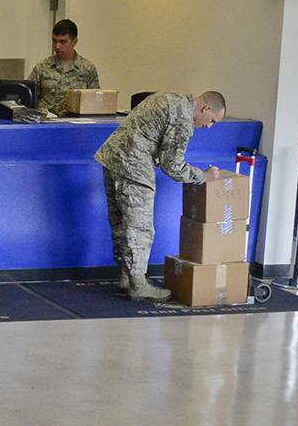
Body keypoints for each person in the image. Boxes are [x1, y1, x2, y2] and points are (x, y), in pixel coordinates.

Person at [96, 90, 228, 302]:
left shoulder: (169, 97)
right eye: (212, 120)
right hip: (134, 168)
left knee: (121, 223)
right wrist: (203, 176)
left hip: (112, 159)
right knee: (140, 227)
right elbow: (172, 165)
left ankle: (126, 278)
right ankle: (138, 285)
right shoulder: (183, 118)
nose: (209, 126)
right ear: (206, 109)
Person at [27, 19, 101, 115]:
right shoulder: (42, 67)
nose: (57, 46)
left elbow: (95, 103)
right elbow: (28, 100)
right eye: (54, 41)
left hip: (76, 122)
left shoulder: (87, 69)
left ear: (74, 42)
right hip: (46, 121)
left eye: (63, 42)